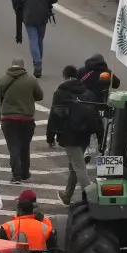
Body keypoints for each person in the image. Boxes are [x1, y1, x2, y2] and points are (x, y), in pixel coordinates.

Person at [48, 64, 104, 205]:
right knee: (75, 165)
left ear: (64, 75)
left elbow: (54, 115)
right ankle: (67, 195)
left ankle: (93, 198)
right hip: (85, 134)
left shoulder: (61, 93)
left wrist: (50, 136)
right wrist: (100, 136)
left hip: (69, 135)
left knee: (78, 166)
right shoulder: (87, 92)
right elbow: (96, 116)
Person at [10, 0, 60, 78]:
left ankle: (37, 64)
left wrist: (17, 6)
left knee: (33, 38)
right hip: (43, 13)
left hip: (28, 12)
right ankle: (38, 64)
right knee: (39, 39)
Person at [0, 57, 44, 183]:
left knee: (14, 147)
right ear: (23, 67)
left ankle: (16, 176)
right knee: (25, 146)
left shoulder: (3, 79)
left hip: (8, 118)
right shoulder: (31, 79)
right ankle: (25, 173)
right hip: (27, 119)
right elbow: (40, 96)